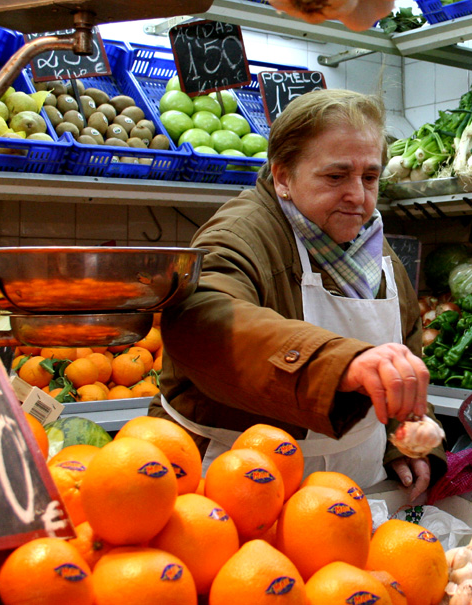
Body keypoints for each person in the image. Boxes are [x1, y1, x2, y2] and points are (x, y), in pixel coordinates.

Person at [150, 88, 443, 499]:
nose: (358, 197)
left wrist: (404, 432)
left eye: (370, 178)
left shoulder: (370, 241)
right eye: (335, 176)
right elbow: (204, 320)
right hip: (240, 485)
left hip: (355, 488)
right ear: (283, 175)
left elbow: (405, 337)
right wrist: (340, 363)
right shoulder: (241, 234)